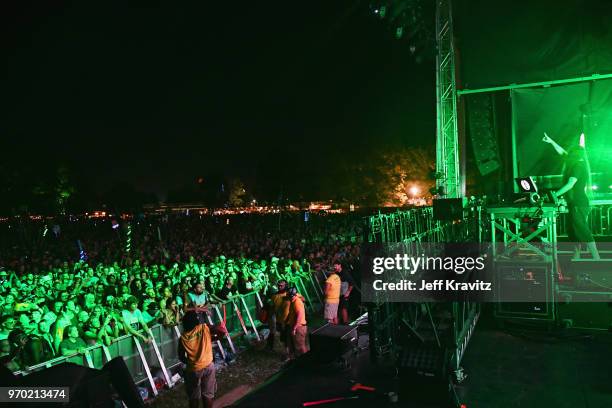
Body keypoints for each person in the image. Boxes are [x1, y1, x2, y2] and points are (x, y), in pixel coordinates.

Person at [543, 133, 600, 259]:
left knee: (582, 231)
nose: (567, 156)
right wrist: (552, 142)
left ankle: (596, 258)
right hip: (575, 203)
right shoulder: (577, 163)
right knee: (574, 232)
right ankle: (577, 256)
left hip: (579, 203)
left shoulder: (578, 166)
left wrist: (555, 195)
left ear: (575, 155)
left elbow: (570, 184)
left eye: (571, 154)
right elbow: (563, 153)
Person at [178, 311, 218, 408]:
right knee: (207, 394)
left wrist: (191, 363)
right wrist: (214, 338)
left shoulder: (183, 338)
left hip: (194, 370)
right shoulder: (204, 328)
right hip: (208, 365)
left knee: (194, 396)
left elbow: (181, 356)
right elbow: (218, 329)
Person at [284, 287, 308, 357]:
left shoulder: (296, 302)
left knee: (301, 347)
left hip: (299, 327)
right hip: (297, 326)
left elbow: (299, 315)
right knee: (298, 346)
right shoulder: (293, 301)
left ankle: (307, 360)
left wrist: (294, 328)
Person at [267, 279, 289, 351]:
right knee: (282, 336)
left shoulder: (289, 294)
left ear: (285, 286)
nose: (279, 287)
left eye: (281, 286)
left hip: (288, 319)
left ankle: (289, 352)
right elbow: (272, 307)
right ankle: (286, 351)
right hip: (280, 320)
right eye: (278, 286)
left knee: (288, 336)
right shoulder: (275, 296)